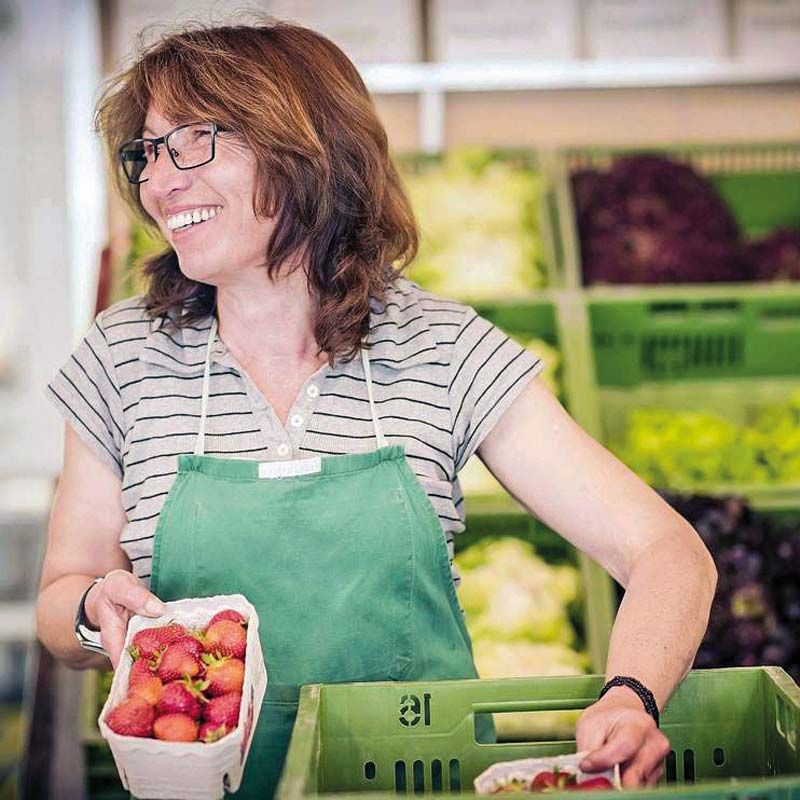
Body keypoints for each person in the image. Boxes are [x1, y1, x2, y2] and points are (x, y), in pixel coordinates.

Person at [36, 19, 716, 798]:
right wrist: (94, 607)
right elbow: (65, 595)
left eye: (194, 139)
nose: (160, 180)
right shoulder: (120, 357)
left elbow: (667, 552)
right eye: (148, 152)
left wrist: (631, 695)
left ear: (306, 148)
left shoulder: (444, 350)